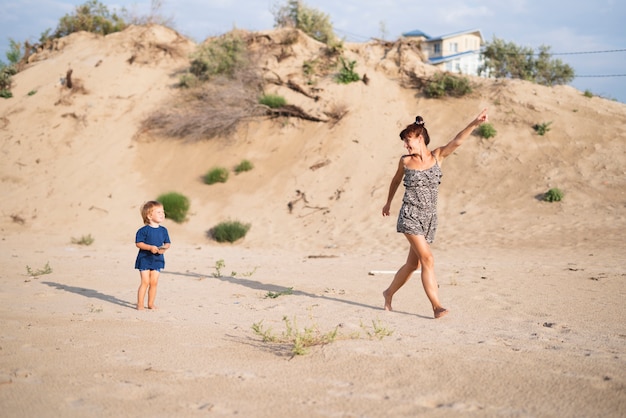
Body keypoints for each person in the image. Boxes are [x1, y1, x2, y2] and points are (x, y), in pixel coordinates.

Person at [382, 108, 488, 318]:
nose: (406, 145)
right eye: (404, 141)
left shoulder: (438, 156)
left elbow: (456, 141)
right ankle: (436, 306)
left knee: (413, 264)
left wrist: (474, 124)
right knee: (428, 259)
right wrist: (388, 203)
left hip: (429, 218)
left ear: (420, 138)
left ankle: (388, 293)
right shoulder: (405, 161)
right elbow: (395, 181)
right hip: (410, 215)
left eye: (408, 140)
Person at [135, 201, 171, 310]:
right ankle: (140, 304)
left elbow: (167, 243)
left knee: (154, 282)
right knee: (145, 282)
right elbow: (138, 243)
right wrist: (150, 248)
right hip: (144, 259)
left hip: (158, 259)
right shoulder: (143, 230)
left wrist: (163, 249)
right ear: (149, 216)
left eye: (163, 212)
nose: (162, 214)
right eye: (158, 212)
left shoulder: (163, 230)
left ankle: (150, 304)